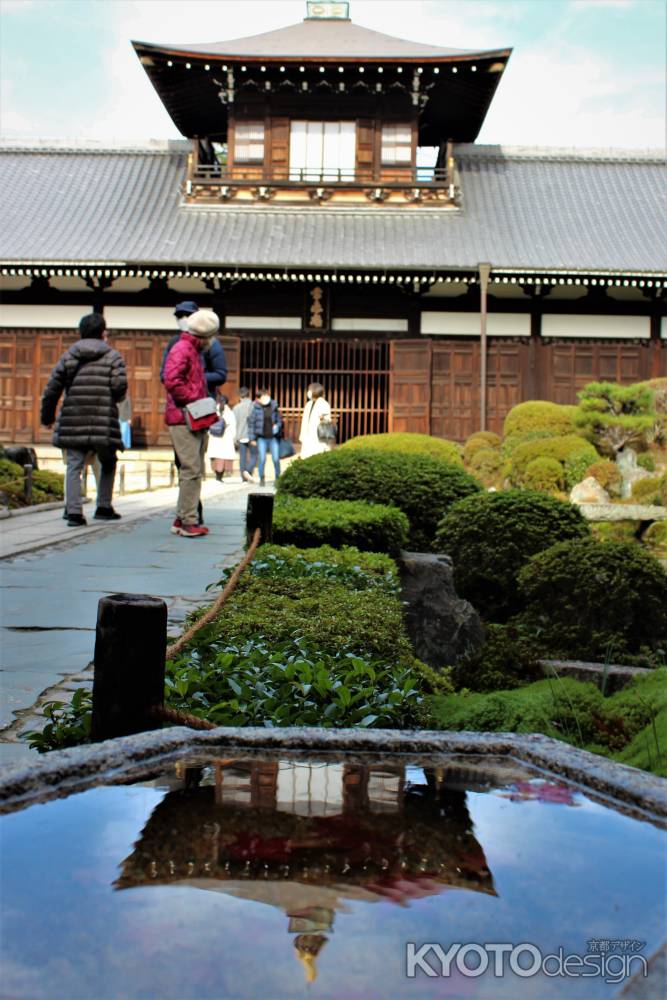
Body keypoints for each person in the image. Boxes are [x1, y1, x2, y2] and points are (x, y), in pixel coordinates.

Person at [40, 312, 127, 527]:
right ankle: (104, 506)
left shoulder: (69, 355)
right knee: (108, 461)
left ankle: (74, 512)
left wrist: (47, 417)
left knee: (74, 465)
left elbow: (52, 388)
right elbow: (119, 387)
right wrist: (111, 398)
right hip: (102, 417)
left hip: (73, 416)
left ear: (81, 331)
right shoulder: (113, 356)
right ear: (103, 332)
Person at [161, 300, 228, 525]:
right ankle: (188, 520)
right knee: (190, 469)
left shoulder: (191, 348)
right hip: (184, 415)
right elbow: (171, 380)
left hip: (194, 414)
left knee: (195, 468)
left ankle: (184, 517)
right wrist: (195, 398)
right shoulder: (183, 348)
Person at [249, 386, 283, 487]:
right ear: (258, 399)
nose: (265, 398)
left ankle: (278, 478)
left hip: (273, 437)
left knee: (276, 458)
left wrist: (277, 425)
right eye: (262, 396)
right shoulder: (254, 408)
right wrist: (252, 438)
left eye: (266, 395)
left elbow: (279, 420)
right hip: (261, 437)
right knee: (262, 459)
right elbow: (251, 423)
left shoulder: (274, 406)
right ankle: (261, 478)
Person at [206, 391, 237, 481]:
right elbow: (233, 427)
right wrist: (233, 438)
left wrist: (210, 433)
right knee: (223, 457)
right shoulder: (230, 413)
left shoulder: (213, 410)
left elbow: (208, 425)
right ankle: (220, 477)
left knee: (215, 457)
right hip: (225, 439)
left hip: (214, 438)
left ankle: (217, 475)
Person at [299, 382, 333, 459]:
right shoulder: (308, 404)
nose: (308, 392)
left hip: (317, 437)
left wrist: (323, 418)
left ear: (314, 391)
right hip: (307, 437)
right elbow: (304, 422)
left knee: (316, 457)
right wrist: (302, 436)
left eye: (310, 390)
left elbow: (327, 420)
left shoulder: (324, 404)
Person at [233, 386, 257, 483]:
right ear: (248, 395)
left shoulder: (235, 408)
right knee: (254, 455)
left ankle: (243, 477)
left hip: (240, 435)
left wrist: (234, 438)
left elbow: (234, 423)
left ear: (240, 396)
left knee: (242, 457)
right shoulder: (253, 406)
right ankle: (248, 471)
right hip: (251, 435)